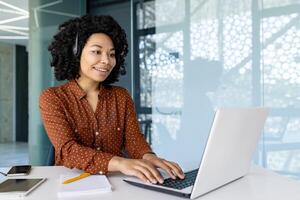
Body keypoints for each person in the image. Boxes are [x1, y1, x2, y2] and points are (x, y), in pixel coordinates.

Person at [39, 15, 184, 184]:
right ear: (75, 53)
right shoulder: (53, 97)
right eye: (96, 51)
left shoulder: (121, 96)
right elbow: (68, 150)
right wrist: (120, 162)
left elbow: (134, 140)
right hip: (71, 182)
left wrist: (149, 157)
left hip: (115, 183)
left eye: (112, 54)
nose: (106, 61)